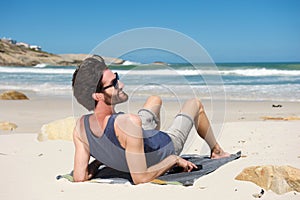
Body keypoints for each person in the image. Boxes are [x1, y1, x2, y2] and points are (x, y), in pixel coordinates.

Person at [72, 55, 229, 184]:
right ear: (98, 96)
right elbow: (140, 178)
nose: (121, 84)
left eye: (117, 77)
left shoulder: (81, 127)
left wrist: (101, 160)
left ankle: (148, 145)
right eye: (114, 83)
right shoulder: (129, 123)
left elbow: (80, 177)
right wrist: (173, 160)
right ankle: (217, 151)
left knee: (154, 99)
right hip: (167, 144)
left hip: (136, 135)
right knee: (195, 104)